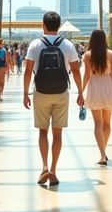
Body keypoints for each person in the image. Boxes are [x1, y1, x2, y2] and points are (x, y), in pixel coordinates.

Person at [23, 11, 83, 187]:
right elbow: (76, 70)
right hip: (61, 92)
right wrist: (80, 92)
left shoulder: (35, 44)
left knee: (43, 131)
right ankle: (54, 172)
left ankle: (44, 167)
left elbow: (28, 71)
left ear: (43, 25)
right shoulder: (68, 45)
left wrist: (25, 93)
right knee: (58, 132)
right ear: (59, 26)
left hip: (40, 92)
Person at [82, 30, 112, 165]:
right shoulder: (111, 54)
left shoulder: (87, 55)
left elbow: (87, 75)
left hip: (95, 86)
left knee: (98, 123)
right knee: (107, 123)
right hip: (108, 86)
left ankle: (102, 153)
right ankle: (103, 151)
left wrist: (81, 92)